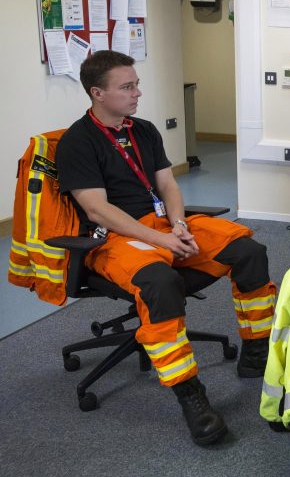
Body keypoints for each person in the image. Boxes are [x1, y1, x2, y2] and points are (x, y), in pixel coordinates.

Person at [56, 50, 277, 446]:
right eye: (127, 87)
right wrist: (161, 240)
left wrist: (177, 226)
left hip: (162, 226)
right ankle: (191, 394)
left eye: (136, 84)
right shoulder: (77, 141)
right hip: (115, 240)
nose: (138, 93)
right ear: (97, 93)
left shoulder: (142, 130)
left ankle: (256, 350)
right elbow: (97, 209)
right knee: (160, 282)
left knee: (248, 251)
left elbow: (169, 185)